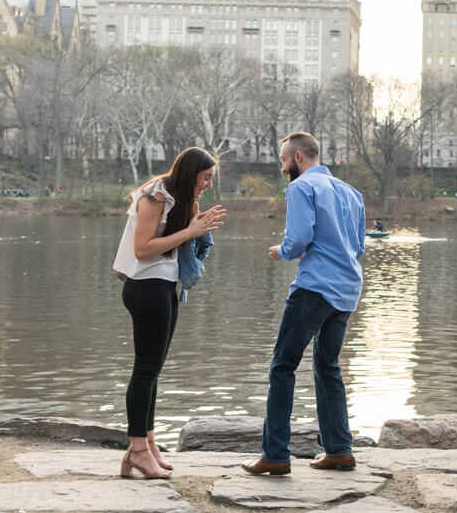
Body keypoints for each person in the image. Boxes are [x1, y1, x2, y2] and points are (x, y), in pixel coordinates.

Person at [244, 132, 366, 476]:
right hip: (347, 289)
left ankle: (275, 455)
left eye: (284, 161)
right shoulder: (351, 192)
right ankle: (340, 450)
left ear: (298, 157)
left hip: (315, 287)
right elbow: (358, 247)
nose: (283, 168)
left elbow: (299, 239)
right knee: (328, 366)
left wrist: (282, 251)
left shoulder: (301, 187)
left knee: (282, 366)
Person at [113, 147, 226, 479]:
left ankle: (146, 445)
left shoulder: (181, 199)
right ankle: (137, 450)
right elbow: (142, 249)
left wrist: (196, 227)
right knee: (145, 369)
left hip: (163, 286)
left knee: (153, 371)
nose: (208, 185)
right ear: (191, 173)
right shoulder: (156, 196)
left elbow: (174, 246)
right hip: (145, 287)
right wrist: (190, 231)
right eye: (206, 177)